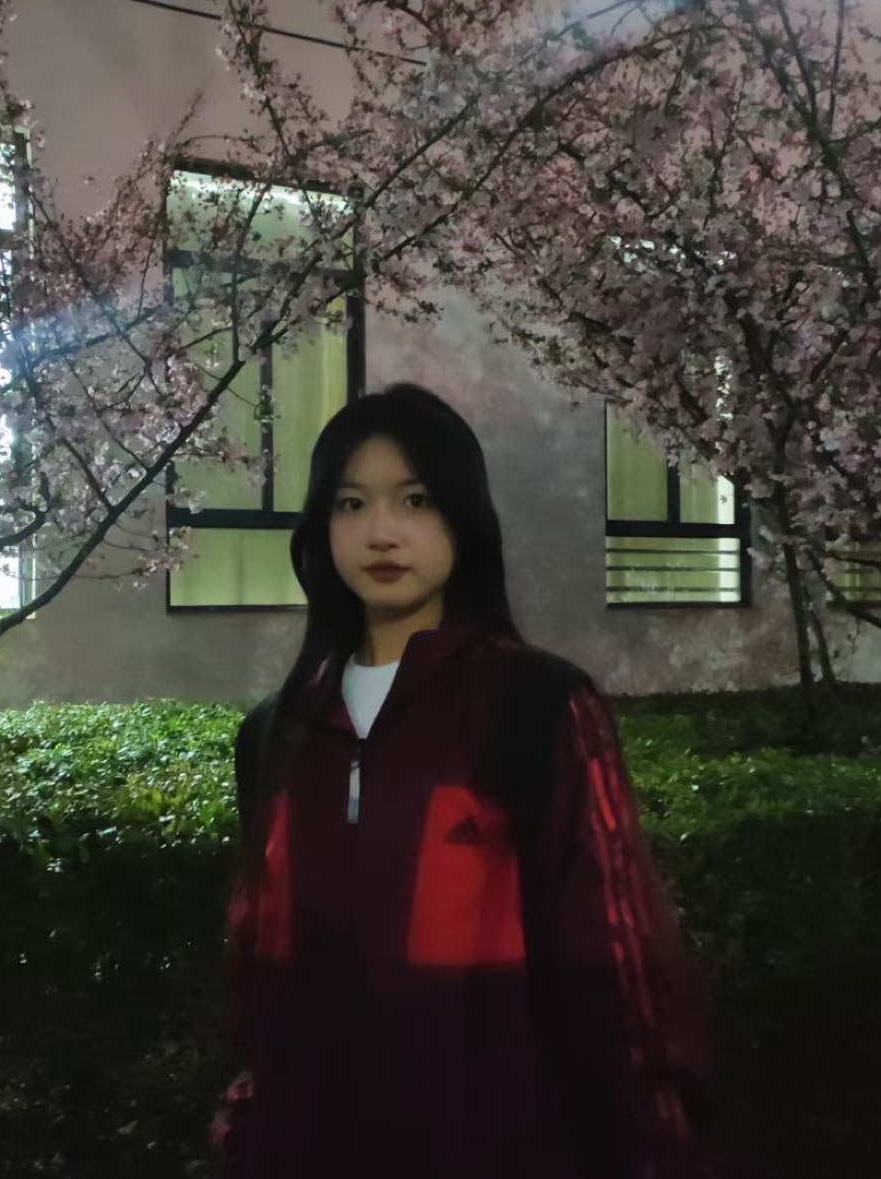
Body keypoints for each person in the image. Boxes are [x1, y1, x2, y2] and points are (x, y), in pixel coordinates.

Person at [211, 381, 716, 1179]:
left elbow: (615, 969)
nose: (381, 531)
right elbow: (256, 978)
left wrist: (654, 1146)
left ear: (461, 517)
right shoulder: (277, 735)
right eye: (350, 504)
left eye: (414, 500)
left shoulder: (536, 706)